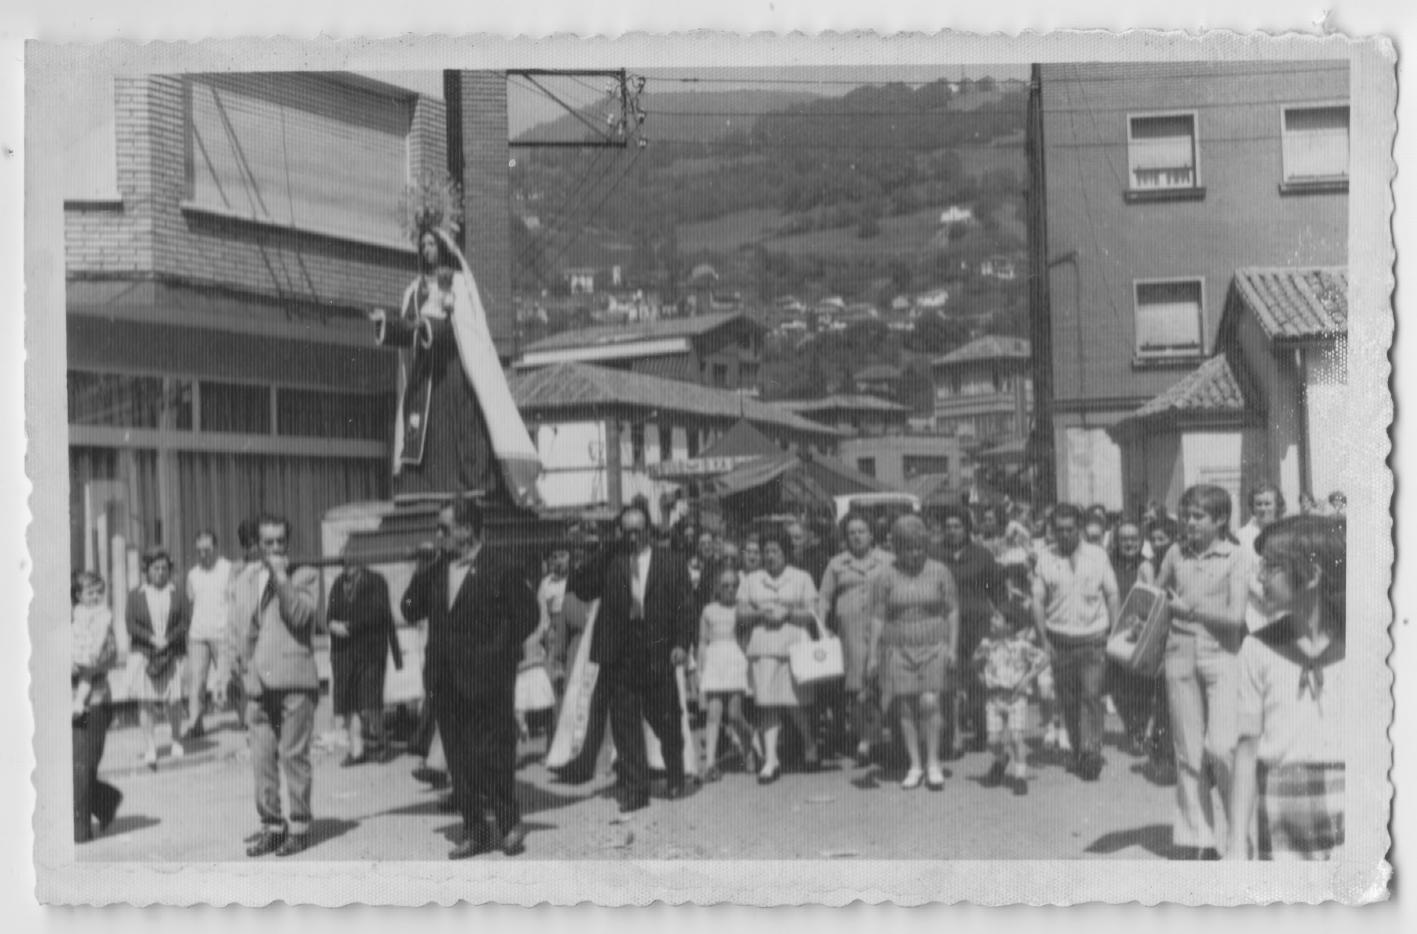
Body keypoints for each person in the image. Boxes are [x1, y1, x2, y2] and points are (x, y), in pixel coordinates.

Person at [402, 496, 538, 857]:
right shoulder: (436, 569)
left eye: (444, 528)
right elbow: (409, 609)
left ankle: (508, 825)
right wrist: (421, 569)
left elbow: (529, 615)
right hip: (447, 682)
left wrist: (499, 653)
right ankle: (475, 829)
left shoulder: (500, 566)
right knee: (459, 759)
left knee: (494, 755)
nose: (438, 535)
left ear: (466, 529)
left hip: (489, 680)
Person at [371, 217, 540, 504]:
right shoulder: (413, 291)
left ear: (443, 247)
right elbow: (409, 328)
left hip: (452, 373)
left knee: (456, 429)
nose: (426, 250)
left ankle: (465, 485)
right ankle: (418, 489)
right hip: (424, 378)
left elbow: (461, 328)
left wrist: (426, 328)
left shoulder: (457, 283)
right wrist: (385, 324)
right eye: (422, 245)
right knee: (419, 431)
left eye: (431, 244)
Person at [1228, 516, 1345, 861]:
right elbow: (1246, 750)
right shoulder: (1257, 648)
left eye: (1272, 567)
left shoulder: (1367, 645)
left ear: (1311, 574)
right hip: (1279, 806)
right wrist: (1237, 842)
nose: (1259, 577)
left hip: (1354, 802)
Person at [568, 502, 696, 812]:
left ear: (650, 531)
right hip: (620, 654)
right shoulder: (612, 561)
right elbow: (581, 588)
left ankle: (675, 774)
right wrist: (607, 549)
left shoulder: (671, 563)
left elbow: (686, 607)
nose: (632, 538)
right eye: (626, 532)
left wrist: (681, 643)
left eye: (638, 532)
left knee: (666, 719)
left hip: (657, 649)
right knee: (624, 724)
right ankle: (637, 790)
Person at [1152, 485, 1251, 859]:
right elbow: (1154, 598)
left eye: (1198, 516)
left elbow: (1235, 618)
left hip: (1223, 655)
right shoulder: (1174, 553)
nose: (1189, 522)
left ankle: (1238, 833)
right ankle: (1198, 839)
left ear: (1221, 520)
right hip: (1179, 656)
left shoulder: (1237, 557)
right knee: (1188, 752)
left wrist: (1190, 611)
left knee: (1222, 747)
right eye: (1186, 514)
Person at [232, 515, 320, 857]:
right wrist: (232, 670)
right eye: (267, 543)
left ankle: (299, 826)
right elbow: (239, 628)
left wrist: (282, 576)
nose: (274, 549)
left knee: (293, 756)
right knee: (261, 758)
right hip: (256, 682)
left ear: (288, 543)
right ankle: (271, 824)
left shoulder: (305, 575)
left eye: (280, 542)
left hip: (294, 679)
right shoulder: (245, 580)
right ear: (256, 544)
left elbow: (299, 616)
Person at [867, 515, 961, 791]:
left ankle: (933, 762)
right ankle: (915, 764)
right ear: (897, 548)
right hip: (898, 647)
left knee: (930, 702)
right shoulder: (884, 576)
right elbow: (877, 617)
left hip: (934, 645)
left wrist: (953, 648)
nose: (914, 553)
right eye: (908, 548)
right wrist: (873, 654)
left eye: (919, 547)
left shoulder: (940, 571)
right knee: (905, 707)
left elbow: (953, 610)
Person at [1030, 503, 1120, 782]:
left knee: (1091, 696)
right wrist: (1043, 639)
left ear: (1079, 528)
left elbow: (1113, 594)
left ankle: (1091, 753)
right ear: (1052, 531)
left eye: (1070, 529)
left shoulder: (1098, 556)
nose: (1065, 534)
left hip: (1094, 639)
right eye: (1059, 530)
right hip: (1060, 642)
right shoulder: (1045, 558)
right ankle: (1080, 750)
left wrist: (1113, 633)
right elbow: (1037, 600)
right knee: (1068, 700)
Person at [737, 527, 822, 784]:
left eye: (775, 551)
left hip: (793, 647)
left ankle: (809, 745)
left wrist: (786, 613)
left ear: (785, 553)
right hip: (763, 648)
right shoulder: (752, 580)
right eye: (766, 551)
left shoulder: (801, 577)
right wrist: (761, 613)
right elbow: (741, 614)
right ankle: (771, 760)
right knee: (767, 703)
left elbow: (812, 613)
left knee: (794, 702)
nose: (769, 556)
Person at [817, 512, 894, 764]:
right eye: (851, 532)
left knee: (883, 684)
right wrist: (822, 627)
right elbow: (824, 598)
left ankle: (874, 737)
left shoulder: (888, 560)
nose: (857, 536)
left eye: (861, 531)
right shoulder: (836, 564)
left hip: (883, 630)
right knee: (858, 687)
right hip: (850, 633)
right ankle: (865, 738)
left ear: (872, 534)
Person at [933, 505, 1002, 755]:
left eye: (957, 526)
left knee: (978, 681)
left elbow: (995, 587)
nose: (952, 531)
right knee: (948, 683)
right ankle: (954, 736)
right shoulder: (935, 555)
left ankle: (982, 730)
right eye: (948, 527)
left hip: (977, 625)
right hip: (945, 627)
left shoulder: (982, 555)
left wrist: (1002, 614)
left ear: (967, 528)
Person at [327, 556, 402, 766]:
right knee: (349, 702)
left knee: (370, 700)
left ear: (361, 561)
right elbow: (329, 613)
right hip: (344, 652)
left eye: (351, 562)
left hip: (370, 650)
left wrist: (350, 627)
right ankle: (357, 750)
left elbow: (378, 612)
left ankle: (380, 742)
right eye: (344, 563)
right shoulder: (338, 583)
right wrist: (332, 625)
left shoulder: (376, 581)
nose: (347, 567)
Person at [973, 595, 1049, 796]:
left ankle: (1020, 776)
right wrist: (981, 674)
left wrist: (1027, 679)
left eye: (997, 618)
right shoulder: (987, 645)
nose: (992, 621)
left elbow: (1043, 659)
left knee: (1016, 737)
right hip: (994, 698)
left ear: (1010, 625)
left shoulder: (1021, 646)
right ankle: (1001, 760)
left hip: (1016, 698)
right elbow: (975, 662)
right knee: (992, 741)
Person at [125, 548, 191, 769]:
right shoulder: (136, 595)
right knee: (145, 702)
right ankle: (150, 747)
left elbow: (184, 622)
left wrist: (168, 639)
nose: (160, 572)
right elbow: (131, 624)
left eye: (164, 568)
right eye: (155, 568)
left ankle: (176, 740)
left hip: (172, 652)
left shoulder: (177, 592)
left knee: (174, 700)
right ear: (147, 570)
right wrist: (152, 638)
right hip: (144, 653)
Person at [71, 571, 122, 843]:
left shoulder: (102, 619)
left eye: (96, 592)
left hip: (94, 701)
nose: (94, 597)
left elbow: (107, 656)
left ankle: (79, 832)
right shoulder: (68, 617)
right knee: (71, 765)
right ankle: (105, 799)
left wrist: (79, 664)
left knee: (82, 765)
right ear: (77, 595)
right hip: (60, 701)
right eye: (88, 592)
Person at [697, 566, 754, 781]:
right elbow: (703, 641)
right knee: (713, 715)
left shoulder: (742, 609)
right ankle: (710, 763)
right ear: (717, 588)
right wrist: (700, 669)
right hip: (714, 660)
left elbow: (748, 637)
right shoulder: (708, 610)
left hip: (736, 659)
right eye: (725, 585)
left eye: (734, 585)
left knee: (734, 715)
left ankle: (750, 745)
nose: (730, 589)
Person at [1107, 521, 1153, 756]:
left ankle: (1138, 732)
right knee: (1117, 688)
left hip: (1139, 633)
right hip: (1112, 632)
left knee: (1142, 688)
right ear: (1116, 541)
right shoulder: (1107, 564)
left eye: (1134, 538)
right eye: (1124, 539)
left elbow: (1153, 597)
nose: (1129, 543)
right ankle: (1132, 727)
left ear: (1141, 541)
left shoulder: (1147, 566)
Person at [181, 529, 231, 740]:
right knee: (197, 681)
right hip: (198, 635)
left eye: (207, 550)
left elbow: (236, 601)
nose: (204, 554)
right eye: (199, 550)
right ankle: (195, 723)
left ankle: (246, 720)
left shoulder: (228, 569)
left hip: (223, 633)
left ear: (216, 548)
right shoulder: (193, 574)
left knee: (232, 679)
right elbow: (191, 604)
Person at [514, 597, 557, 743]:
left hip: (527, 670)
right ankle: (526, 728)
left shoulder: (523, 630)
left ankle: (523, 727)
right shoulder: (533, 629)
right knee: (544, 706)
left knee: (521, 706)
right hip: (531, 669)